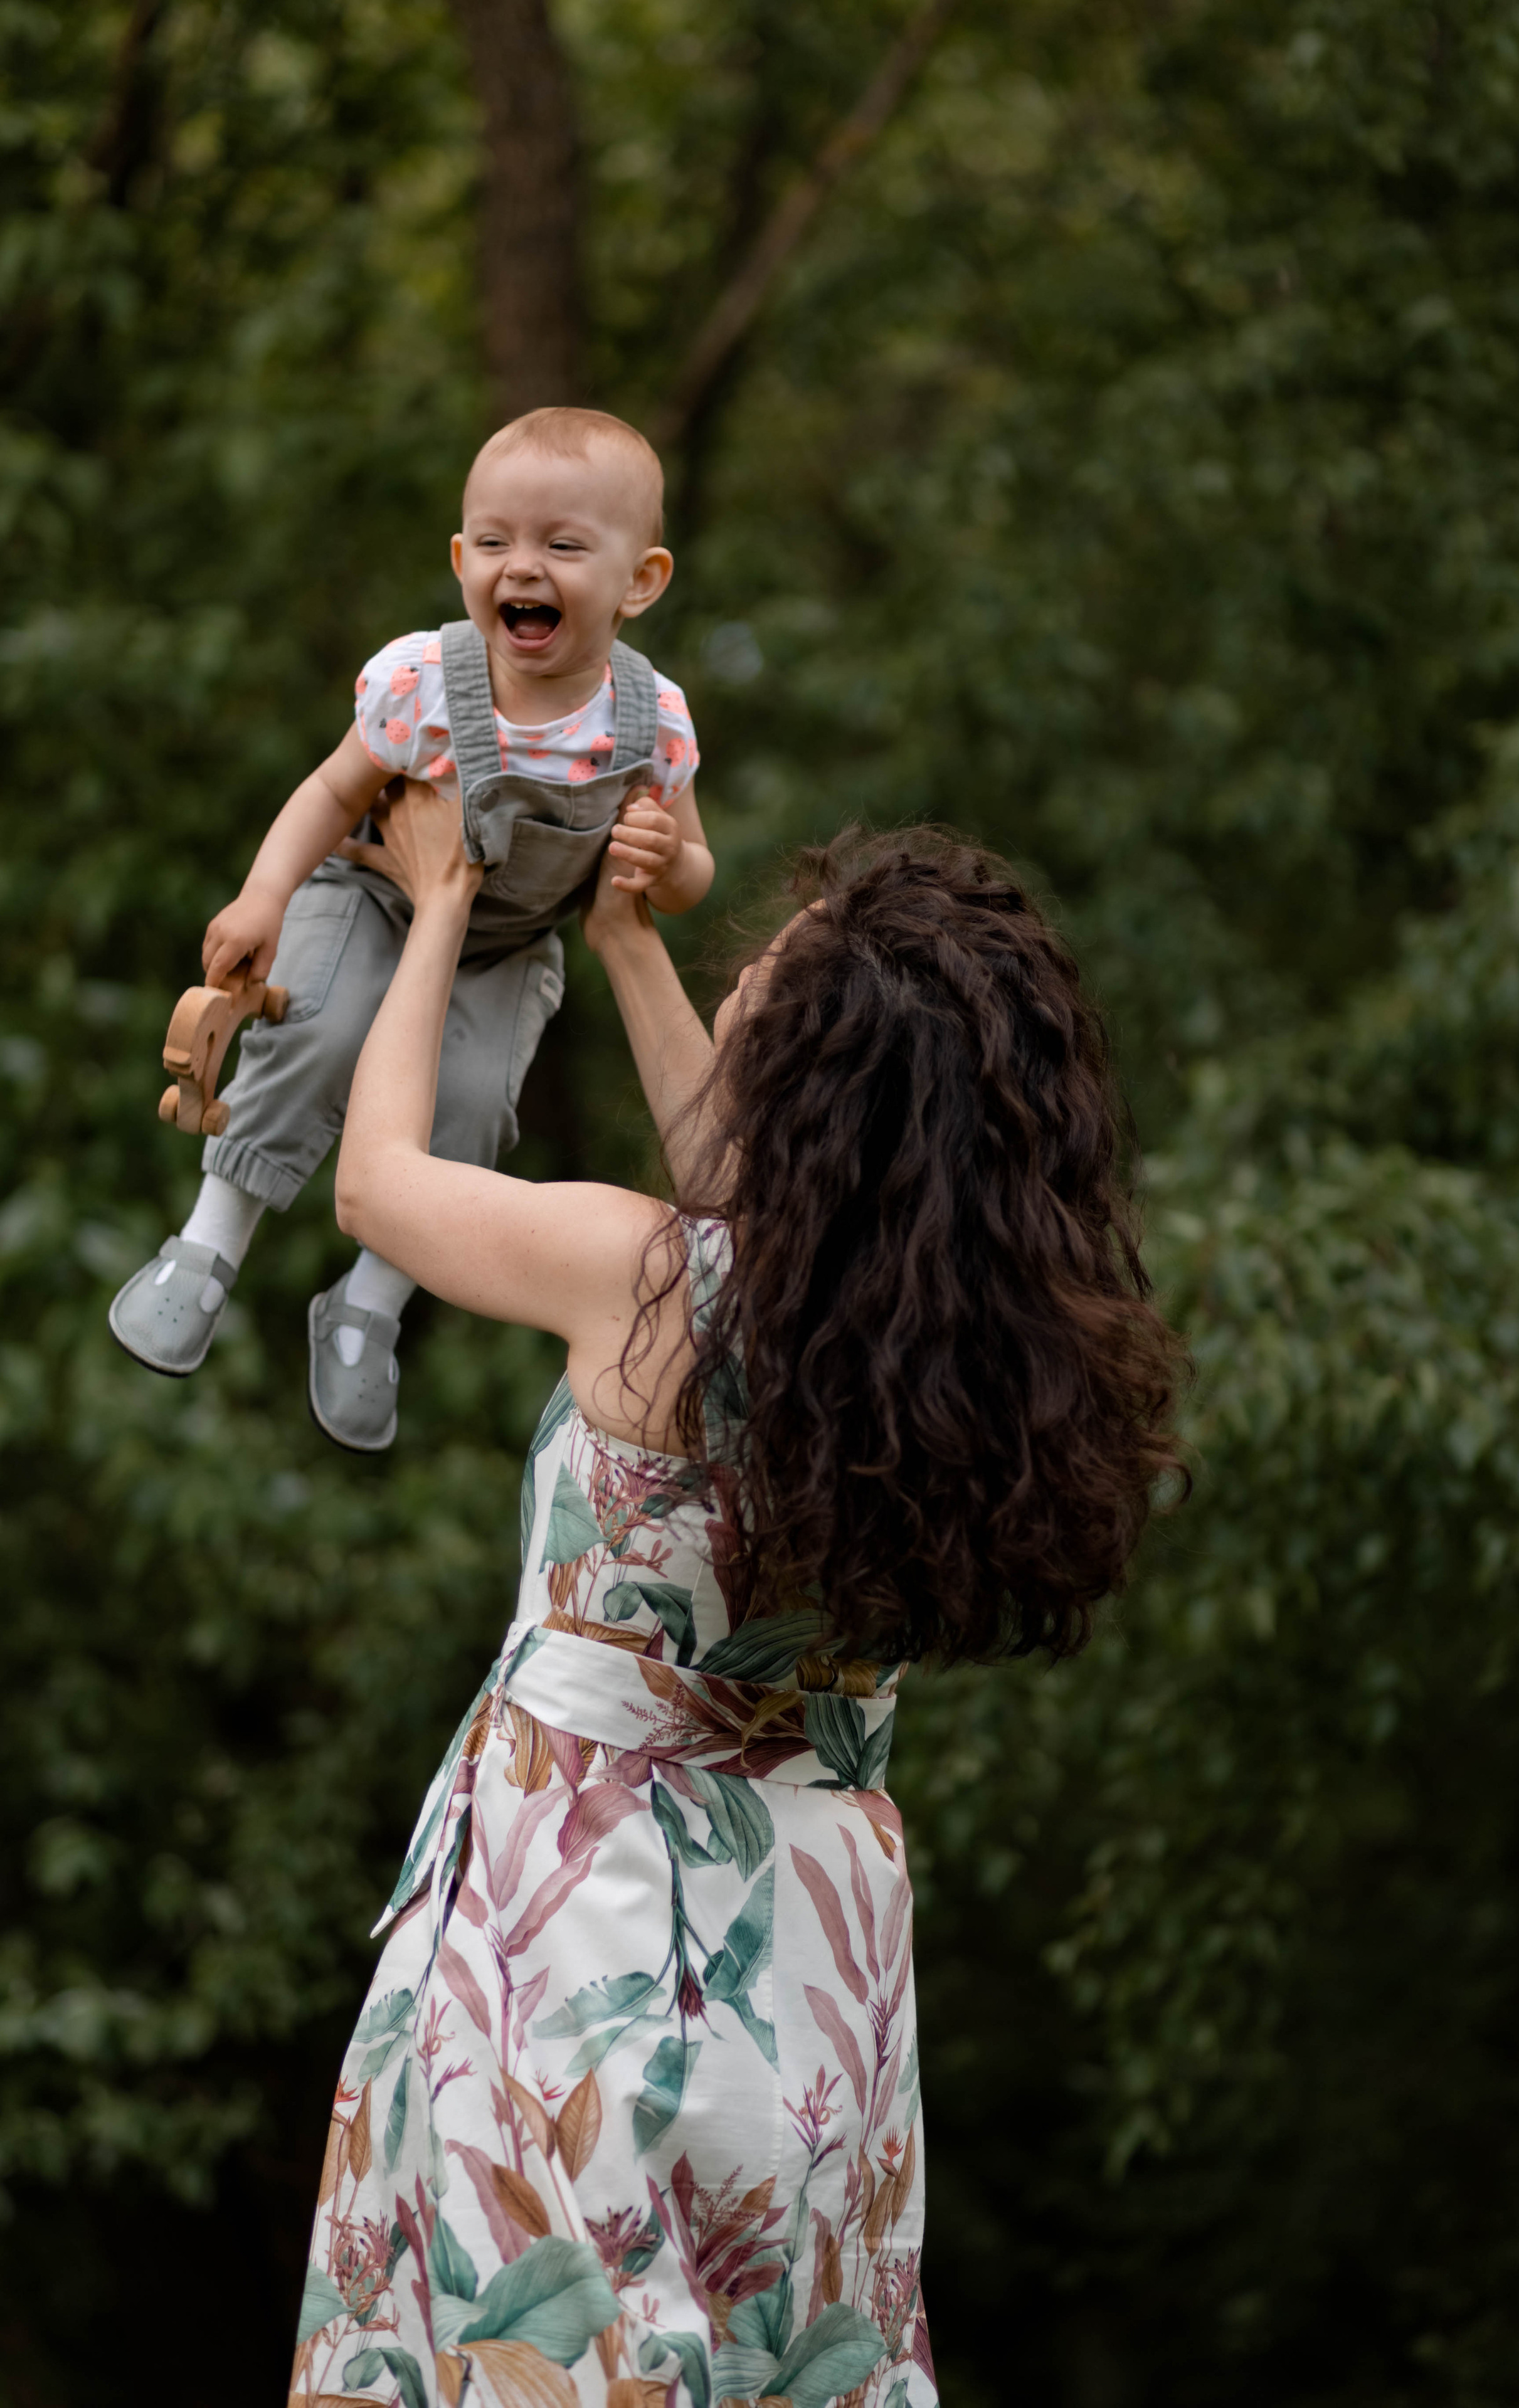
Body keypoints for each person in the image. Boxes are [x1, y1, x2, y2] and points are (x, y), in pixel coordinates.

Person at [288, 780, 1185, 2408]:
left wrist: (429, 908)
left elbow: (378, 1189)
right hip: (816, 1974)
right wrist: (630, 944)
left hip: (592, 1939)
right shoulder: (961, 1376)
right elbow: (759, 1200)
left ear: (804, 1107)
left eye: (748, 1025)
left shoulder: (648, 1289)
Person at [109, 406, 712, 1452]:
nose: (521, 567)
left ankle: (368, 1310)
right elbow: (332, 790)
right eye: (494, 542)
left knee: (472, 1110)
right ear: (460, 558)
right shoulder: (425, 681)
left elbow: (694, 868)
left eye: (564, 545)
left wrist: (668, 864)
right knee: (318, 1038)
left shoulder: (648, 719)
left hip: (509, 942)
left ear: (641, 581)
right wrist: (264, 894)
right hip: (374, 901)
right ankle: (209, 1245)